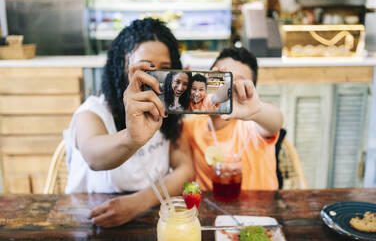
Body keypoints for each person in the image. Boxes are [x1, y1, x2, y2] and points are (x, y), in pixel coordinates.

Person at [63, 18, 194, 227]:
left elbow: (185, 170)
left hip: (149, 218)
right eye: (146, 68)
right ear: (121, 68)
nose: (156, 79)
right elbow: (94, 157)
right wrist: (132, 138)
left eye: (165, 68)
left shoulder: (169, 112)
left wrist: (138, 203)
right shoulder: (92, 112)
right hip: (92, 221)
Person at [183, 47, 283, 191]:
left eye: (239, 84)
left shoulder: (252, 124)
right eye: (224, 80)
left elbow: (276, 120)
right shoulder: (190, 126)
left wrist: (257, 110)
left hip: (259, 210)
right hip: (212, 210)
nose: (229, 90)